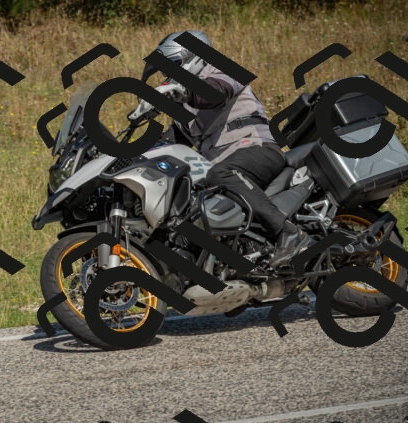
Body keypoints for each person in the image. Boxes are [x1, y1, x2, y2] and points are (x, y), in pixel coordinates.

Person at [129, 30, 310, 267]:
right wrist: (128, 157)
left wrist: (182, 92)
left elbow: (213, 93)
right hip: (224, 167)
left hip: (258, 149)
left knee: (220, 174)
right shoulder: (184, 113)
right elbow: (165, 145)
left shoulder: (221, 71)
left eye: (171, 68)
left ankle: (289, 233)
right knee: (189, 204)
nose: (166, 76)